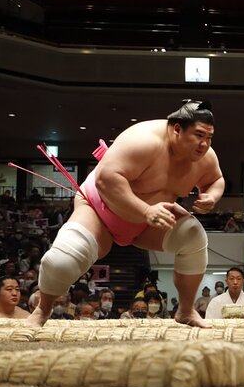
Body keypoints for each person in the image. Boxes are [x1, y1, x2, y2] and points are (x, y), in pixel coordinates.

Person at [26, 100, 224, 328]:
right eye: (199, 135)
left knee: (193, 235)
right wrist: (146, 210)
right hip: (100, 210)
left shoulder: (205, 158)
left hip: (147, 223)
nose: (204, 144)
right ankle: (43, 309)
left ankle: (186, 310)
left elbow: (216, 180)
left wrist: (212, 196)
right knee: (62, 260)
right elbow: (106, 179)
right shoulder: (142, 140)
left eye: (209, 137)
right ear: (177, 129)